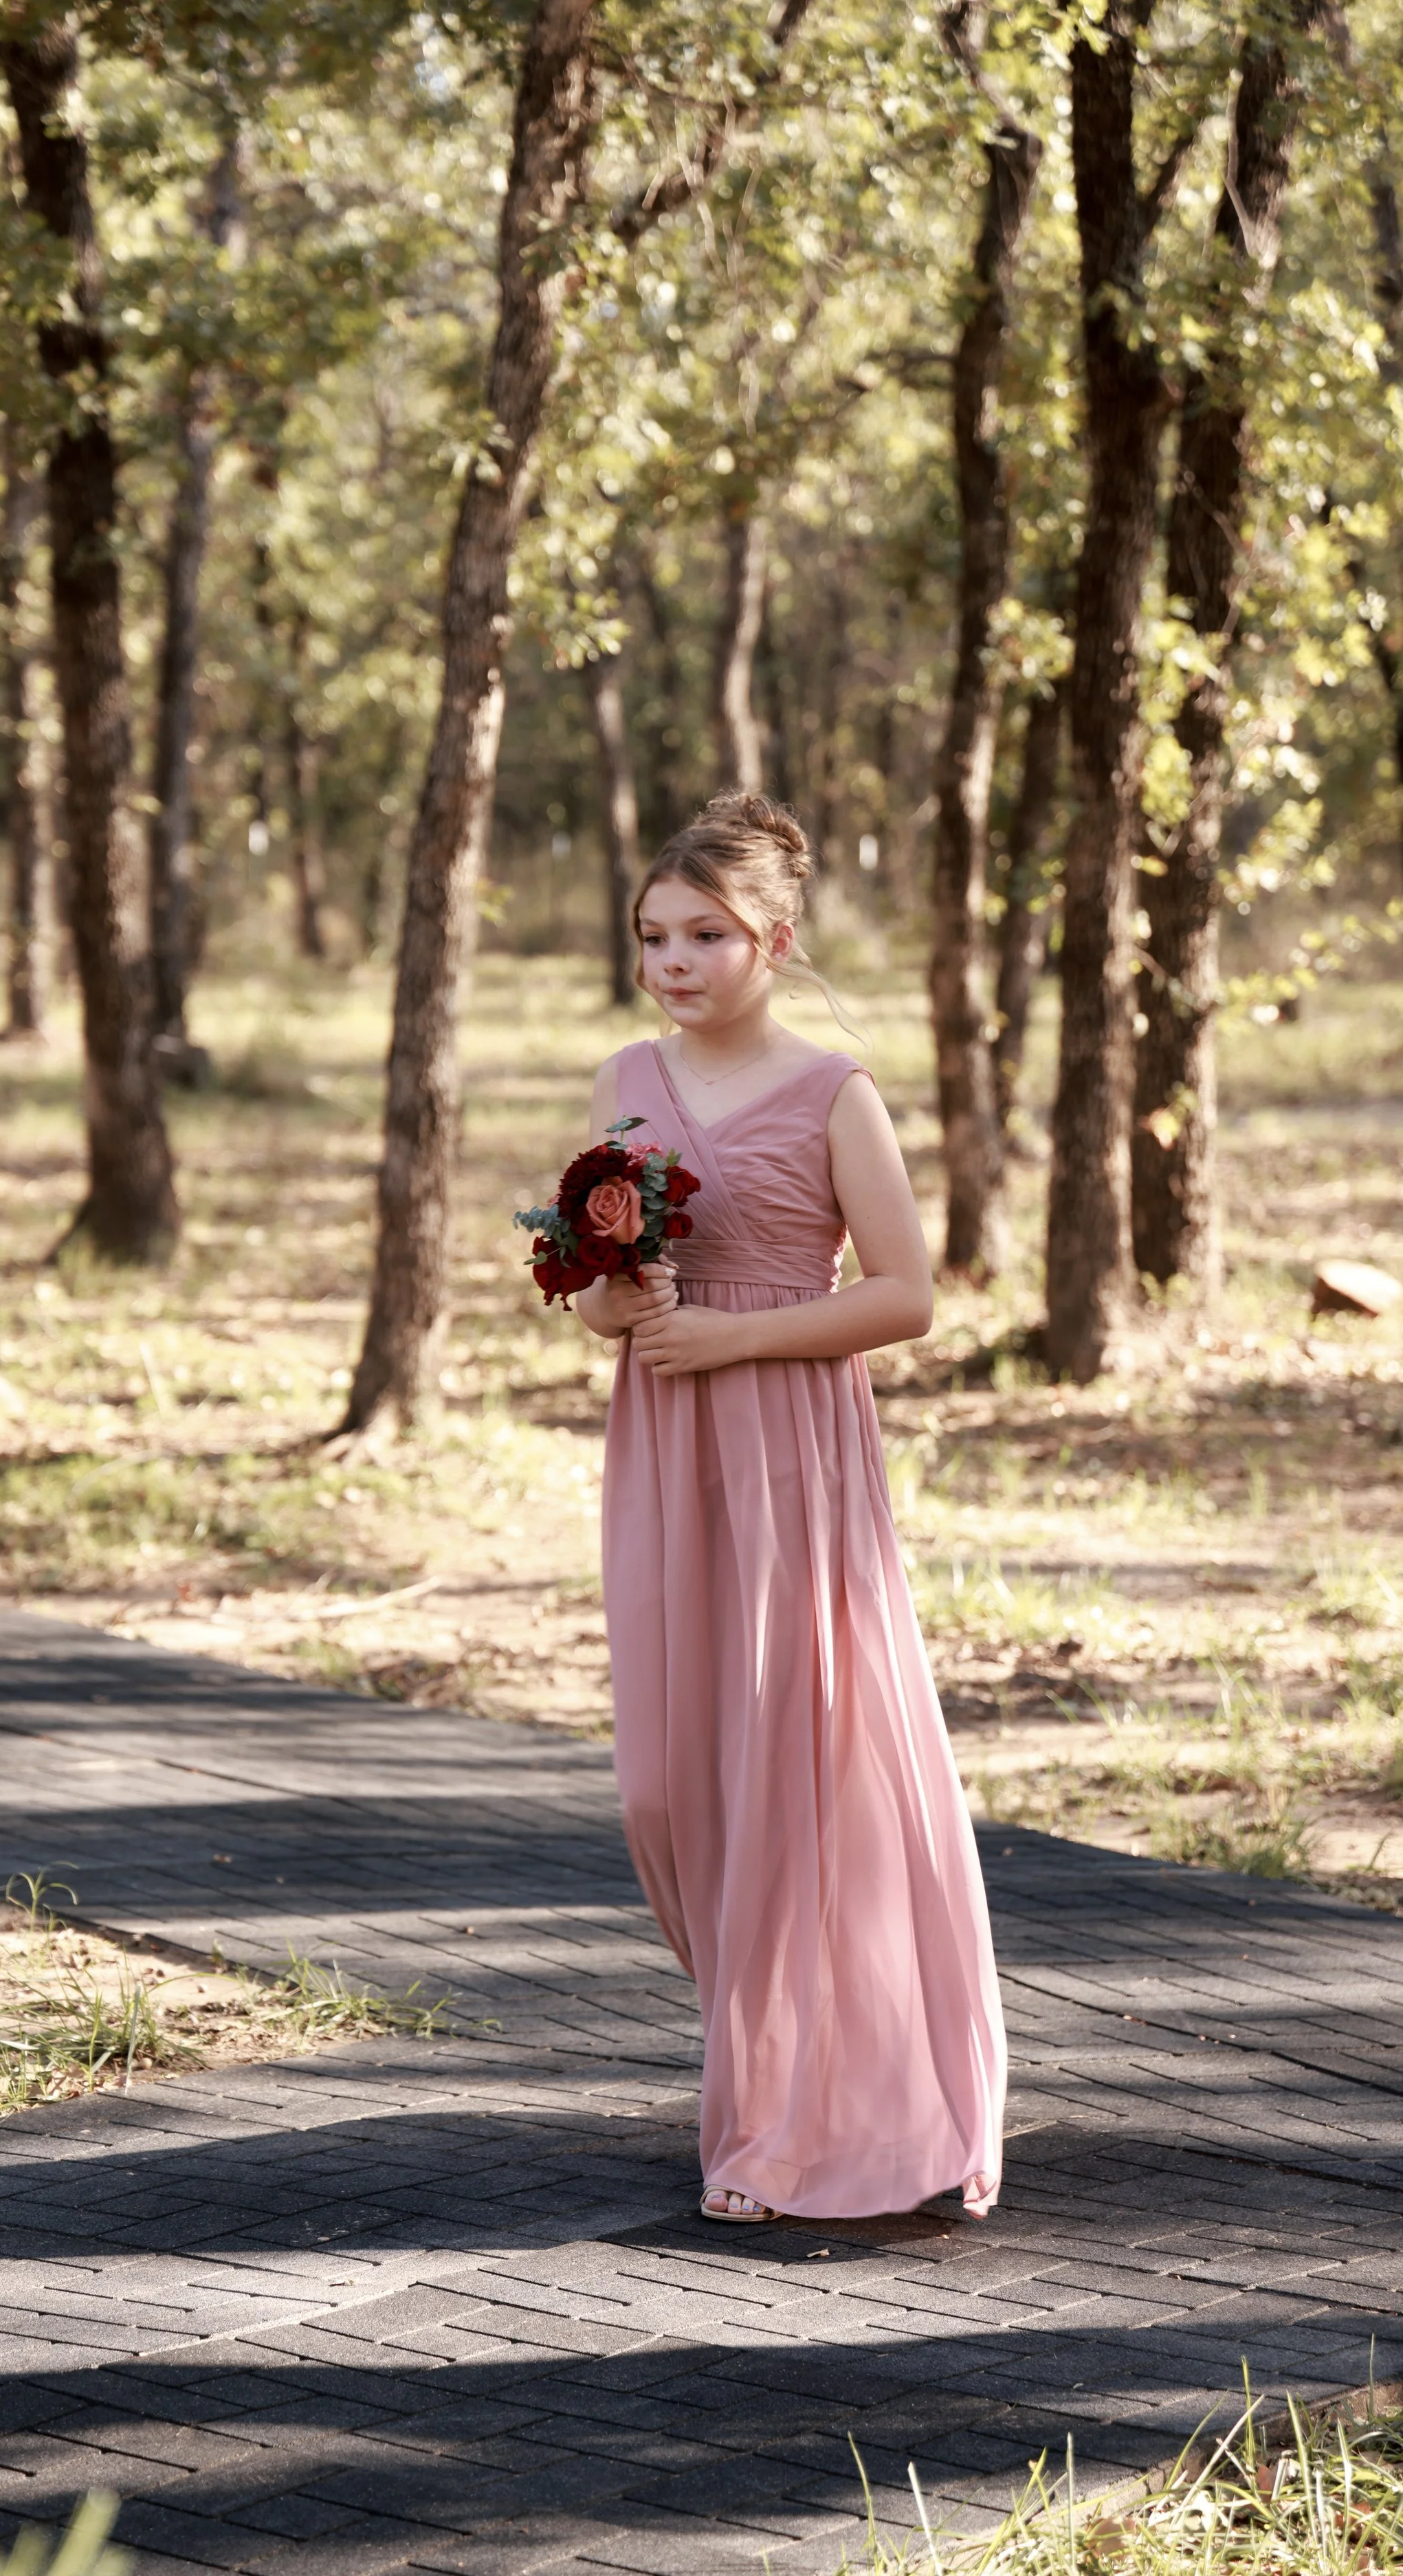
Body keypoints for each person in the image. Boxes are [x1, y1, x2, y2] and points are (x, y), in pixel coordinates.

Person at [575, 792, 1006, 2223]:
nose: (672, 959)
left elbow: (905, 1293)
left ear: (770, 936)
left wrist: (733, 1338)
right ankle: (774, 2046)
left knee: (788, 1769)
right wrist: (618, 1301)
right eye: (652, 933)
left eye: (702, 932)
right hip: (662, 1445)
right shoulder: (620, 1076)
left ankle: (788, 2109)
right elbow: (593, 1303)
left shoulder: (834, 1092)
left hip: (787, 1446)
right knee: (665, 1778)